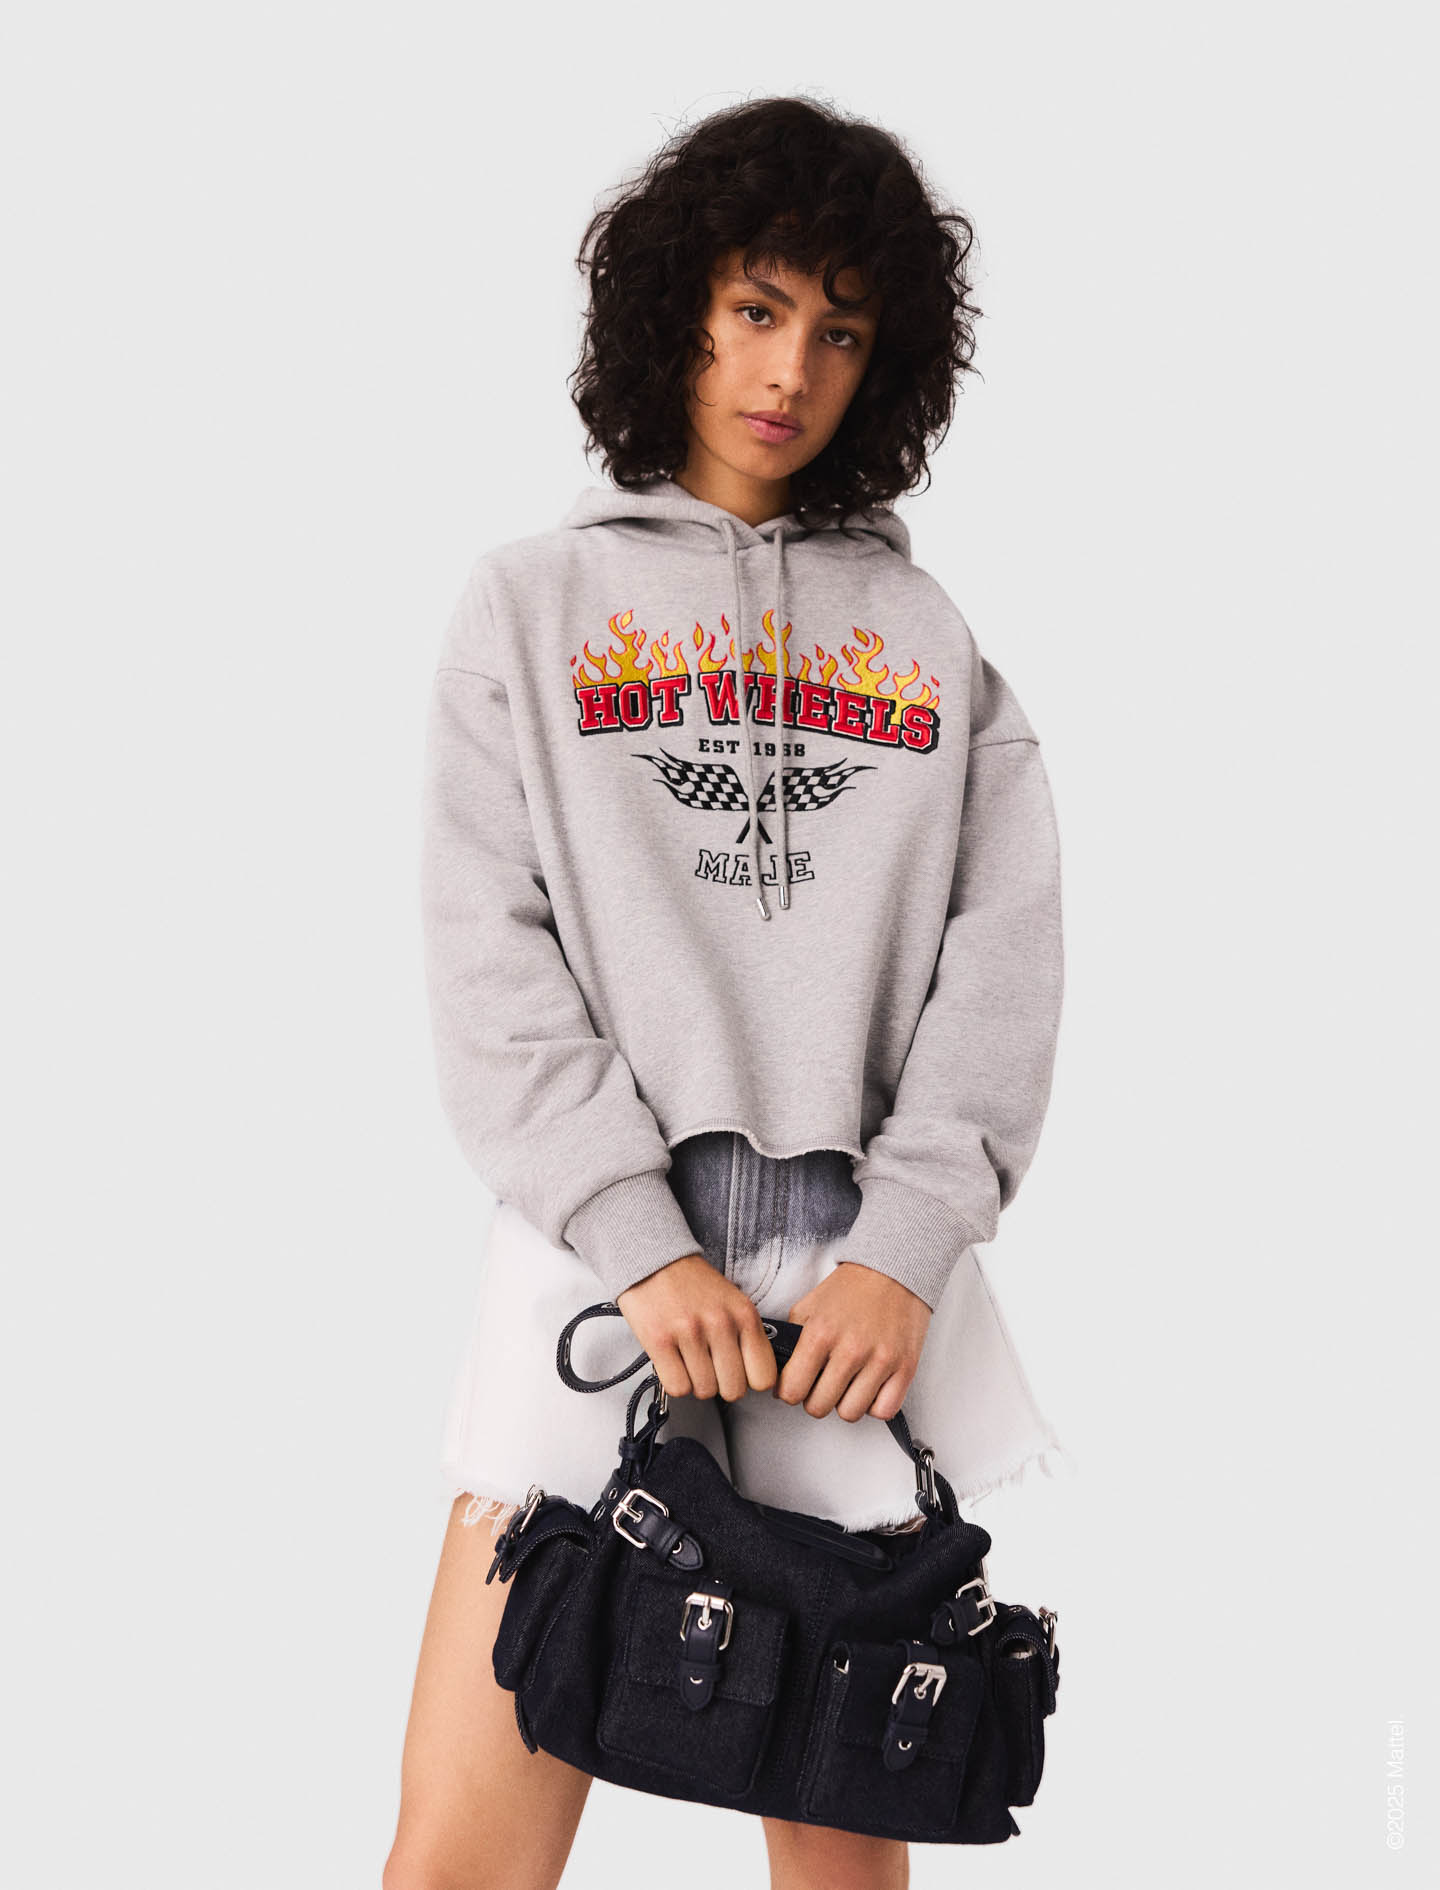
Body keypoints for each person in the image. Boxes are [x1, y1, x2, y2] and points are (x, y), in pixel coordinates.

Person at [385, 95, 1068, 1890]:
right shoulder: (527, 612)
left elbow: (1003, 964)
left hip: (851, 1301)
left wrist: (903, 1251)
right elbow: (489, 957)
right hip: (599, 1279)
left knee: (841, 1864)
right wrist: (637, 1235)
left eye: (841, 331)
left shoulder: (932, 645)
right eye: (759, 309)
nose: (791, 371)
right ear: (678, 307)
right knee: (462, 1855)